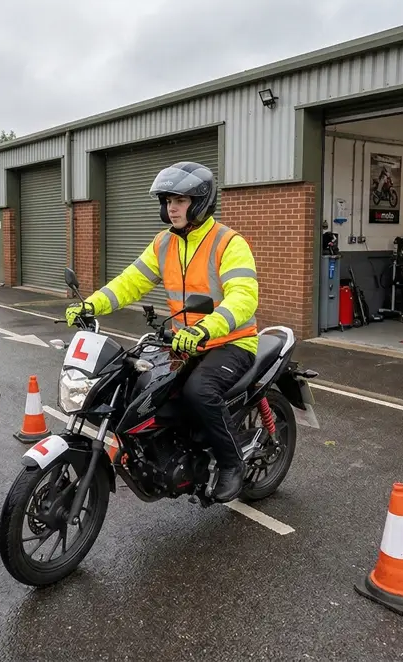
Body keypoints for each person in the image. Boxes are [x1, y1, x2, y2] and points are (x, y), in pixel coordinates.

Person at [64, 162, 260, 502]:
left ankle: (231, 464)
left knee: (199, 391)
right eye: (168, 199)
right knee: (140, 384)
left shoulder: (229, 242)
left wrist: (206, 328)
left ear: (200, 201)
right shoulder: (164, 243)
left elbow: (244, 296)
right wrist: (91, 305)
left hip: (231, 342)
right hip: (185, 343)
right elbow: (131, 282)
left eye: (181, 200)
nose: (172, 207)